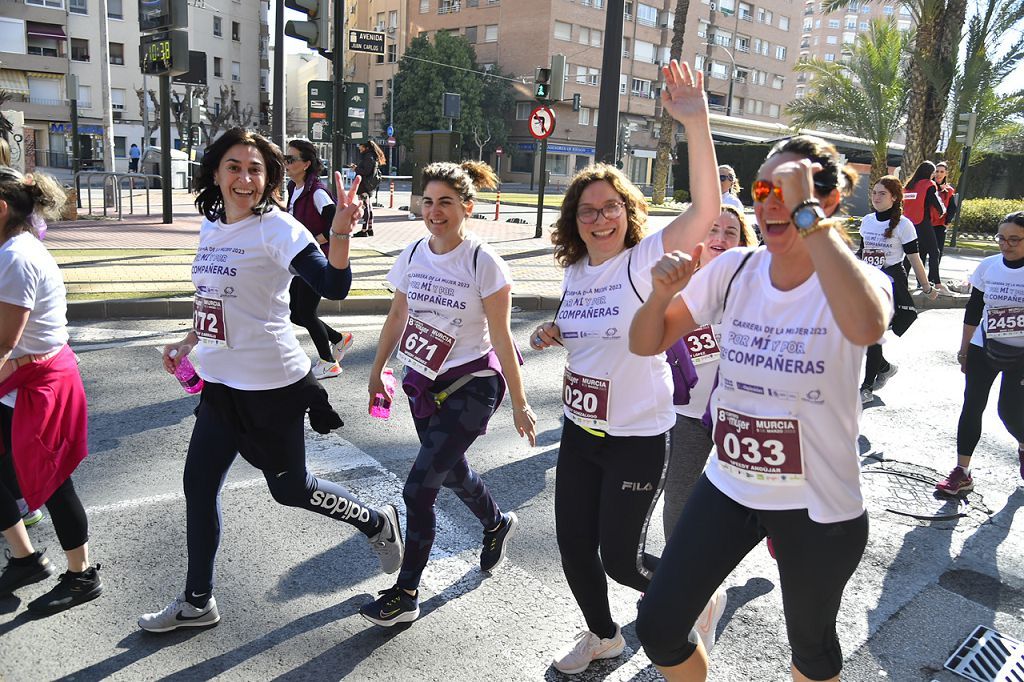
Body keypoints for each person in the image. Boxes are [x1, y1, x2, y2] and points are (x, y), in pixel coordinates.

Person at [630, 135, 892, 682]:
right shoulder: (736, 270)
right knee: (658, 625)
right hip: (730, 482)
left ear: (828, 202)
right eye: (763, 189)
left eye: (790, 191)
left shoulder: (855, 279)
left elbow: (866, 326)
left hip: (818, 504)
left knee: (812, 653)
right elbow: (646, 341)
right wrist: (659, 294)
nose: (771, 201)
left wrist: (807, 217)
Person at [139, 128, 404, 632]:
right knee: (198, 486)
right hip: (219, 387)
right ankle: (198, 601)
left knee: (291, 490)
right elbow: (213, 300)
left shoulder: (278, 230)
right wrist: (189, 343)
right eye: (234, 167)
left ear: (269, 178)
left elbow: (334, 285)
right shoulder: (211, 225)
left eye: (255, 169)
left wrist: (343, 231)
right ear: (215, 172)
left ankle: (376, 521)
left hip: (272, 388)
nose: (244, 178)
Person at [529, 60, 720, 676]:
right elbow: (590, 336)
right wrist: (557, 331)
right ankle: (604, 636)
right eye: (587, 211)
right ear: (573, 222)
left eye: (610, 207)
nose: (600, 218)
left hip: (637, 436)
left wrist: (696, 122)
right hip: (580, 432)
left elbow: (706, 205)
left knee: (621, 560)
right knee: (572, 547)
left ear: (626, 211)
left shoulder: (643, 260)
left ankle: (698, 592)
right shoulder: (576, 272)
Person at [359, 159, 536, 627]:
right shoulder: (415, 252)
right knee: (450, 471)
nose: (435, 211)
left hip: (471, 386)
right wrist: (377, 369)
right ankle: (496, 524)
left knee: (418, 491)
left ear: (468, 208)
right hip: (422, 382)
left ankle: (406, 593)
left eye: (447, 203)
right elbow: (398, 316)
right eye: (429, 202)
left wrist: (520, 403)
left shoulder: (484, 262)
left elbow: (501, 337)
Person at [0, 166, 103, 615]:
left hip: (36, 386)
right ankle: (24, 559)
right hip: (20, 380)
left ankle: (82, 576)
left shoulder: (16, 257)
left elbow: (4, 340)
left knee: (54, 481)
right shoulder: (11, 248)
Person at [661, 205, 758, 540]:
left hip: (741, 412)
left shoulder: (757, 290)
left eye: (730, 232)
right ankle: (679, 576)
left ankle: (773, 531)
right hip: (687, 413)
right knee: (677, 494)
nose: (720, 238)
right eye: (713, 229)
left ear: (743, 243)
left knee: (751, 496)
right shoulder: (675, 284)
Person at [936, 212, 1024, 496]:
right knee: (972, 404)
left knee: (1009, 411)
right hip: (983, 346)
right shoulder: (988, 266)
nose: (1006, 245)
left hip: (1020, 354)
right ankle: (962, 472)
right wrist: (964, 348)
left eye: (1014, 239)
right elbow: (974, 309)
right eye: (1002, 238)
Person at [857, 175, 939, 405]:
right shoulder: (867, 221)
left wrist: (926, 286)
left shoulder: (905, 225)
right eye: (874, 192)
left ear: (894, 197)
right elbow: (862, 253)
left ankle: (866, 387)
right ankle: (884, 368)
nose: (876, 197)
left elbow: (914, 258)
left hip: (890, 283)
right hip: (866, 281)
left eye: (882, 193)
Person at [285, 139, 354, 380]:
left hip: (315, 261)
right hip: (297, 262)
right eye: (286, 158)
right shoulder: (294, 189)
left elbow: (333, 223)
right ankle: (338, 338)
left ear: (305, 164)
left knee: (304, 312)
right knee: (295, 313)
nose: (286, 163)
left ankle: (328, 361)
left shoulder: (318, 193)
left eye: (291, 159)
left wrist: (313, 241)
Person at [902, 161, 949, 294]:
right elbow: (935, 201)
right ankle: (937, 282)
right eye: (933, 172)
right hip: (922, 222)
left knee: (910, 254)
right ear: (929, 173)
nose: (934, 175)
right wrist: (942, 211)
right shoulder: (929, 185)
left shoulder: (909, 186)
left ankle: (902, 281)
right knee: (934, 252)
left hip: (907, 223)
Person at [351, 140, 385, 238]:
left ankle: (364, 230)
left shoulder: (368, 157)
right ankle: (370, 229)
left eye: (360, 146)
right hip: (368, 185)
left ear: (366, 147)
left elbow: (365, 171)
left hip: (364, 186)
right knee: (368, 206)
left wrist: (356, 169)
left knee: (365, 207)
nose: (359, 148)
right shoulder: (372, 157)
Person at [932, 161, 957, 264]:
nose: (939, 174)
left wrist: (947, 221)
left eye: (942, 171)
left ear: (946, 173)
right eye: (937, 171)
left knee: (938, 251)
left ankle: (933, 276)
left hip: (940, 224)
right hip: (926, 223)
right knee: (922, 251)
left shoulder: (949, 190)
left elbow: (952, 207)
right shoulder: (928, 187)